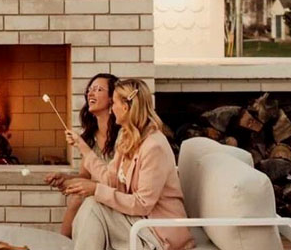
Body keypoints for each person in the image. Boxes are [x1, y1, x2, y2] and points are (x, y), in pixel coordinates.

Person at [65, 79, 195, 250]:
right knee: (91, 204)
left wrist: (96, 189)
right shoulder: (126, 137)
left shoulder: (154, 146)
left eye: (114, 103)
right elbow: (110, 179)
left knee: (93, 207)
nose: (112, 109)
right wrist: (82, 146)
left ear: (125, 107)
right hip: (137, 221)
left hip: (157, 231)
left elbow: (142, 204)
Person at [44, 73, 120, 237]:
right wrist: (65, 179)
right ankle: (65, 245)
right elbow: (85, 176)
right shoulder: (90, 136)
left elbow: (116, 182)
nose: (90, 93)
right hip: (96, 193)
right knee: (76, 198)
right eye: (90, 90)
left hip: (116, 197)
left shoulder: (123, 136)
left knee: (78, 199)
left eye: (98, 89)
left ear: (112, 98)